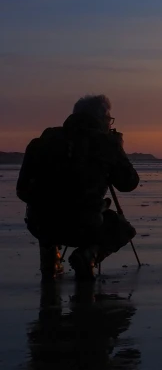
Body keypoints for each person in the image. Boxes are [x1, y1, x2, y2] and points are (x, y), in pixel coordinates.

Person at [16, 95, 139, 282]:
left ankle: (49, 260)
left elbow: (22, 190)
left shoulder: (43, 141)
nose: (110, 124)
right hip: (83, 225)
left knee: (46, 213)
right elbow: (128, 183)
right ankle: (88, 255)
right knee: (124, 229)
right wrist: (118, 149)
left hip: (40, 223)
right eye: (109, 120)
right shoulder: (105, 144)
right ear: (100, 118)